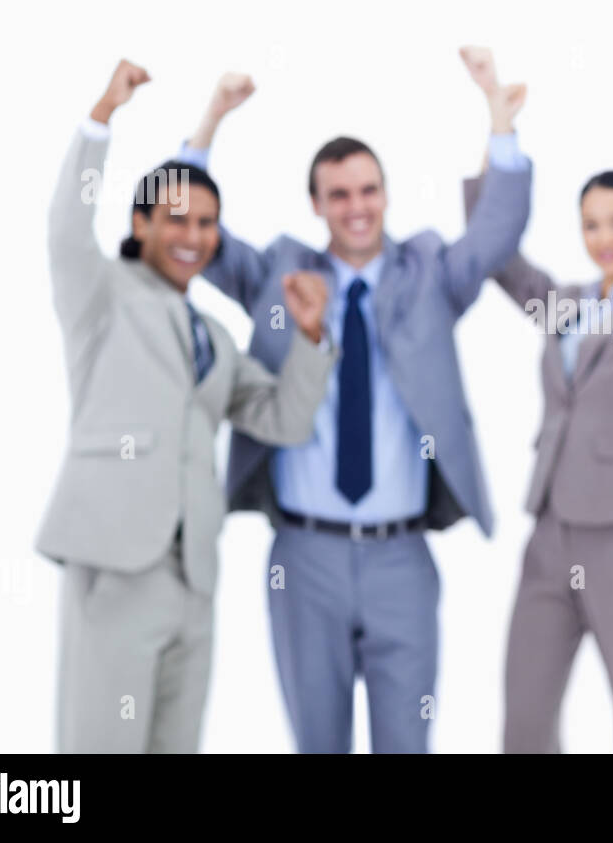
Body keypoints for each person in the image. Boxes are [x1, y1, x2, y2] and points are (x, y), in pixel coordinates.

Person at [173, 55, 532, 753]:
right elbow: (190, 231)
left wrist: (497, 116)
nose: (356, 206)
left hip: (403, 559)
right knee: (318, 744)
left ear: (386, 194)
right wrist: (210, 120)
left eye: (368, 190)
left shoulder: (428, 273)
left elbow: (496, 234)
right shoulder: (280, 274)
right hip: (304, 558)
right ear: (316, 204)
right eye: (338, 194)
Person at [39, 59, 338, 753]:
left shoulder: (214, 335)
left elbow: (282, 420)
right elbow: (65, 227)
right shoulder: (100, 295)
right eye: (176, 218)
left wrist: (312, 338)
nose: (193, 236)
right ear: (140, 220)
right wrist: (100, 118)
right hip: (116, 568)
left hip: (194, 577)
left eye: (208, 223)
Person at [462, 60, 613, 752]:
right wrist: (498, 128)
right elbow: (492, 253)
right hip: (549, 530)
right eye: (591, 224)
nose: (604, 237)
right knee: (526, 718)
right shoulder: (562, 303)